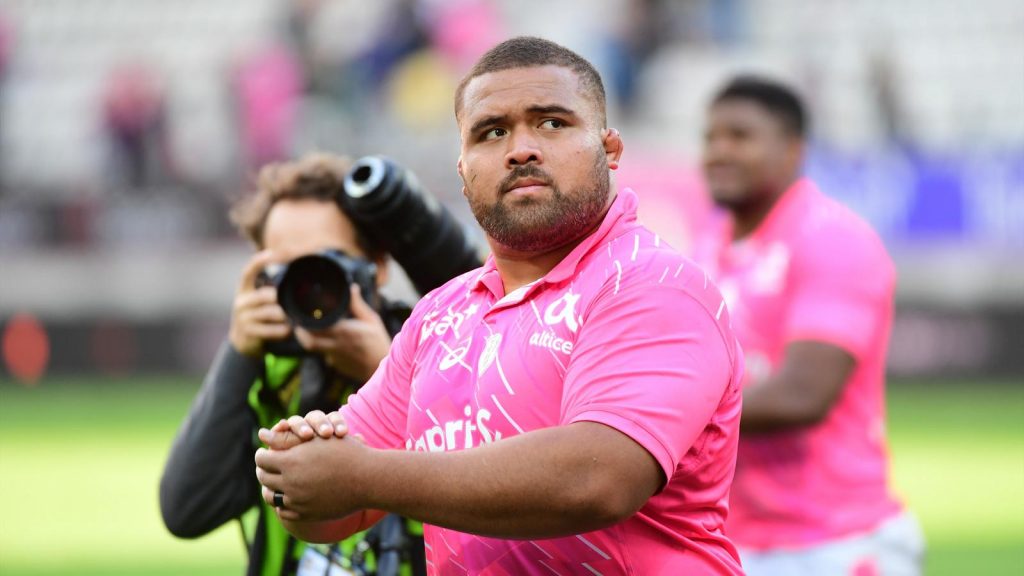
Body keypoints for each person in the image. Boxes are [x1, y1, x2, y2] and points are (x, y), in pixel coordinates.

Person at [252, 36, 746, 575]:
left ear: (610, 149)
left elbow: (598, 480)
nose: (521, 149)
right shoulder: (439, 314)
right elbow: (333, 509)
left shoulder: (654, 284)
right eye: (492, 132)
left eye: (553, 123)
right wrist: (298, 470)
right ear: (462, 170)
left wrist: (360, 475)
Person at [695, 76, 925, 574]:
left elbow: (803, 394)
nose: (718, 151)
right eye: (710, 137)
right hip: (732, 537)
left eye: (740, 136)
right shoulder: (709, 240)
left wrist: (666, 417)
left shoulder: (833, 238)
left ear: (793, 150)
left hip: (832, 542)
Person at [160, 153, 429, 576]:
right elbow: (187, 510)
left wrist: (383, 371)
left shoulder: (430, 351)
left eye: (329, 262)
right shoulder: (269, 375)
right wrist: (239, 351)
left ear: (376, 267)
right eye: (289, 270)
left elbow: (478, 500)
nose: (312, 284)